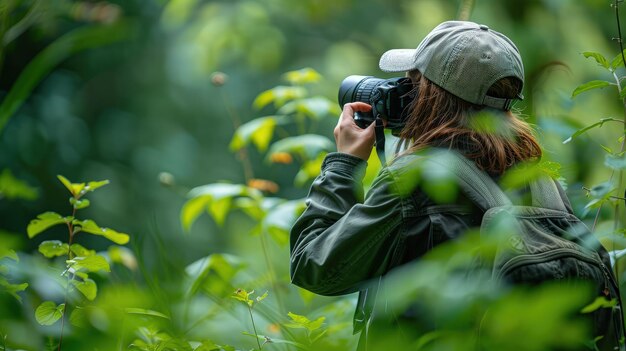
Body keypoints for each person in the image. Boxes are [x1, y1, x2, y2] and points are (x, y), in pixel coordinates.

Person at [289, 21, 621, 350]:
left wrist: (345, 163)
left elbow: (314, 267)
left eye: (410, 84)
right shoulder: (541, 182)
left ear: (429, 97)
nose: (401, 93)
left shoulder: (415, 179)